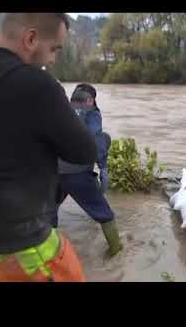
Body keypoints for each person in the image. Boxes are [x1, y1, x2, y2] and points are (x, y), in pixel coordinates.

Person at [0, 13, 98, 282]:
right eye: (54, 49)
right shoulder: (39, 85)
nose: (53, 59)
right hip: (20, 247)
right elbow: (84, 152)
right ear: (31, 39)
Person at [55, 83, 123, 257]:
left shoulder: (62, 109)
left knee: (47, 215)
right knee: (105, 214)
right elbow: (94, 140)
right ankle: (117, 254)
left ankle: (52, 259)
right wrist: (103, 167)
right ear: (91, 99)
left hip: (53, 172)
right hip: (77, 173)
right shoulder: (93, 113)